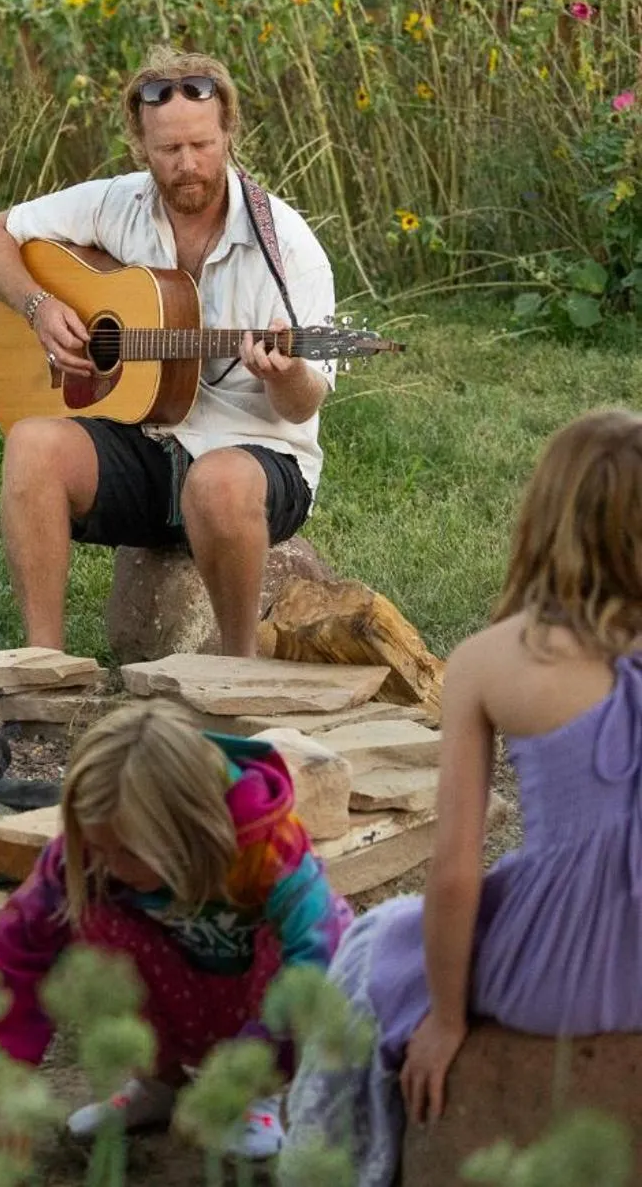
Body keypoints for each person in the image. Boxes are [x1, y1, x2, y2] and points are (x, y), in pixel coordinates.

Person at [282, 409, 642, 1187]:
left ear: (543, 520)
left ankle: (335, 1158)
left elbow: (453, 873)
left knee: (376, 938)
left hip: (548, 979)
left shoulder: (490, 660)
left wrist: (447, 1021)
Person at [0, 48, 338, 657]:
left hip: (256, 461)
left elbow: (300, 407)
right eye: (169, 152)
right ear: (141, 145)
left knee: (217, 483)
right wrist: (38, 307)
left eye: (203, 146)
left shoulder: (288, 248)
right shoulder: (120, 203)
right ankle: (45, 666)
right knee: (33, 444)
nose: (188, 166)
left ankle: (239, 672)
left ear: (228, 133)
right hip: (146, 441)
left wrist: (287, 370)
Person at [0, 702, 352, 1160]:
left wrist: (252, 1065)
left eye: (132, 854)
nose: (112, 866)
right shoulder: (100, 854)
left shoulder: (267, 847)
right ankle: (158, 1082)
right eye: (101, 848)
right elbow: (19, 946)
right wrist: (5, 1079)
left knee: (300, 950)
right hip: (182, 991)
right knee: (85, 912)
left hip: (257, 1008)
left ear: (190, 831)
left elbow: (319, 957)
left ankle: (256, 1098)